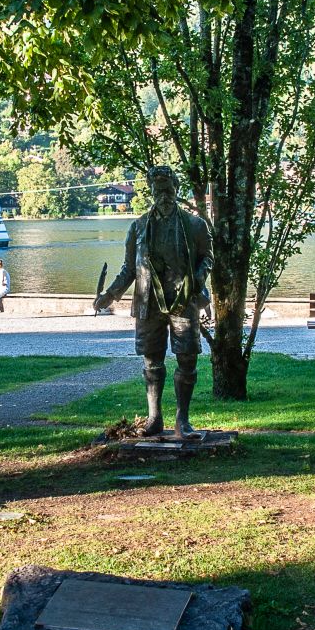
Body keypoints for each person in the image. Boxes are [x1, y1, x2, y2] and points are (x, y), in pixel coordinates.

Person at [93, 165, 213, 439]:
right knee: (151, 361)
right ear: (151, 192)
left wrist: (197, 278)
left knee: (187, 359)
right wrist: (109, 295)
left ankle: (183, 420)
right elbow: (129, 269)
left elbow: (208, 257)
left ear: (176, 190)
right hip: (149, 303)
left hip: (184, 302)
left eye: (169, 190)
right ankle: (154, 418)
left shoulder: (195, 225)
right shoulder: (137, 228)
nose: (164, 196)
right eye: (158, 191)